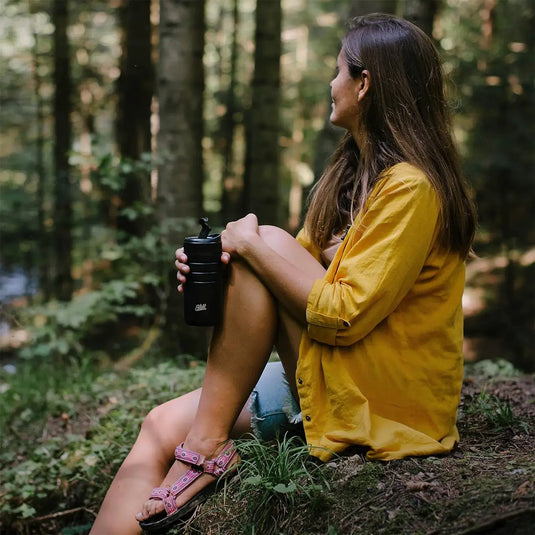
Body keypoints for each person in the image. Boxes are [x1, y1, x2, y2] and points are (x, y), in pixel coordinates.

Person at [90, 13, 476, 534]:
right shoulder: (350, 176)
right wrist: (222, 271)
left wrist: (252, 245)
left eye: (338, 71)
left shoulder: (411, 187)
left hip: (383, 400)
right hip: (335, 370)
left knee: (263, 241)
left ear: (364, 85)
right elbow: (292, 279)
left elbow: (342, 316)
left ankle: (206, 448)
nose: (330, 83)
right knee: (159, 423)